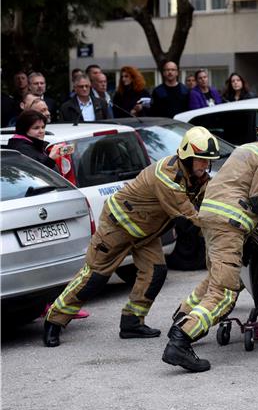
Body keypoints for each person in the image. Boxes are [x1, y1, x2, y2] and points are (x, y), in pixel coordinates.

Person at [43, 127, 221, 347]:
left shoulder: (197, 177)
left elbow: (212, 200)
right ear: (187, 156)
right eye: (201, 160)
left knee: (155, 273)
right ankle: (54, 321)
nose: (205, 166)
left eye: (208, 161)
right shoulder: (167, 177)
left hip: (145, 233)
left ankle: (132, 322)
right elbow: (189, 217)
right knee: (94, 278)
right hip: (117, 227)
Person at [162, 107, 258, 372]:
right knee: (224, 293)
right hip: (230, 225)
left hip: (213, 221)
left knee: (216, 279)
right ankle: (180, 342)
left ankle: (182, 317)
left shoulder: (248, 149)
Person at [6, 110, 70, 171]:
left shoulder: (37, 143)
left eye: (43, 127)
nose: (41, 131)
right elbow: (35, 173)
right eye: (36, 128)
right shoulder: (21, 149)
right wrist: (50, 159)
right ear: (24, 129)